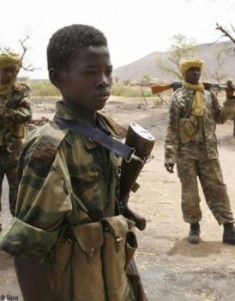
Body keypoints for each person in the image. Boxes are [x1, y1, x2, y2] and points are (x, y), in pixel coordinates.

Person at [0, 24, 147, 301]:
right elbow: (28, 254)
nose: (104, 81)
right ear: (58, 78)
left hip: (111, 281)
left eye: (108, 71)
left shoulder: (106, 131)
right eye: (90, 72)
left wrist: (123, 208)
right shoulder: (51, 148)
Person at [164, 57, 235, 245]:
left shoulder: (209, 95)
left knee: (218, 188)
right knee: (190, 193)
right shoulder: (178, 97)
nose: (196, 73)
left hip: (209, 153)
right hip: (186, 155)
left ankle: (229, 227)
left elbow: (220, 118)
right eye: (192, 70)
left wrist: (229, 99)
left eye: (198, 70)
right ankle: (194, 226)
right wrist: (170, 156)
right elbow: (172, 128)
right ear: (184, 73)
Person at [0, 52, 32, 230]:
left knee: (17, 190)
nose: (10, 75)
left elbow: (27, 115)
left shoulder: (21, 91)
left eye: (13, 71)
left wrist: (5, 114)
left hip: (13, 150)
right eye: (6, 70)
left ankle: (17, 229)